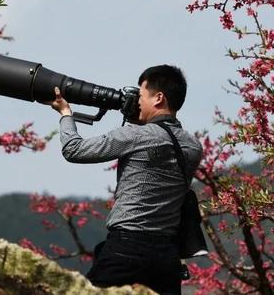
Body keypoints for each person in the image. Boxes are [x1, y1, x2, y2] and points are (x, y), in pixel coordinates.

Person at [49, 64, 203, 295]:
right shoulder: (193, 147)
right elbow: (160, 146)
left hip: (127, 247)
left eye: (140, 95)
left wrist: (66, 114)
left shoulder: (136, 135)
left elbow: (74, 150)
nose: (136, 101)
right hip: (166, 257)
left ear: (158, 98)